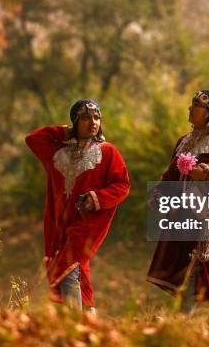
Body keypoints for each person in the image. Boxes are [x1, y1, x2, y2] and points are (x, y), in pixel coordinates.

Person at [146, 89, 209, 325]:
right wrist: (160, 194)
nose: (190, 109)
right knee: (188, 270)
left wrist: (208, 175)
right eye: (191, 105)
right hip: (182, 215)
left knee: (205, 270)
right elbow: (171, 176)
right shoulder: (184, 141)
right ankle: (185, 324)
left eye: (196, 106)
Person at [25, 99, 130, 312]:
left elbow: (123, 185)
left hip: (88, 222)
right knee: (76, 269)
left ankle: (74, 323)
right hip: (59, 223)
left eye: (97, 117)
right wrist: (65, 133)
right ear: (75, 122)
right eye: (85, 117)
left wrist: (98, 197)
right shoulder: (57, 152)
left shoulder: (108, 152)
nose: (93, 122)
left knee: (67, 266)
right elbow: (33, 138)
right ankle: (88, 319)